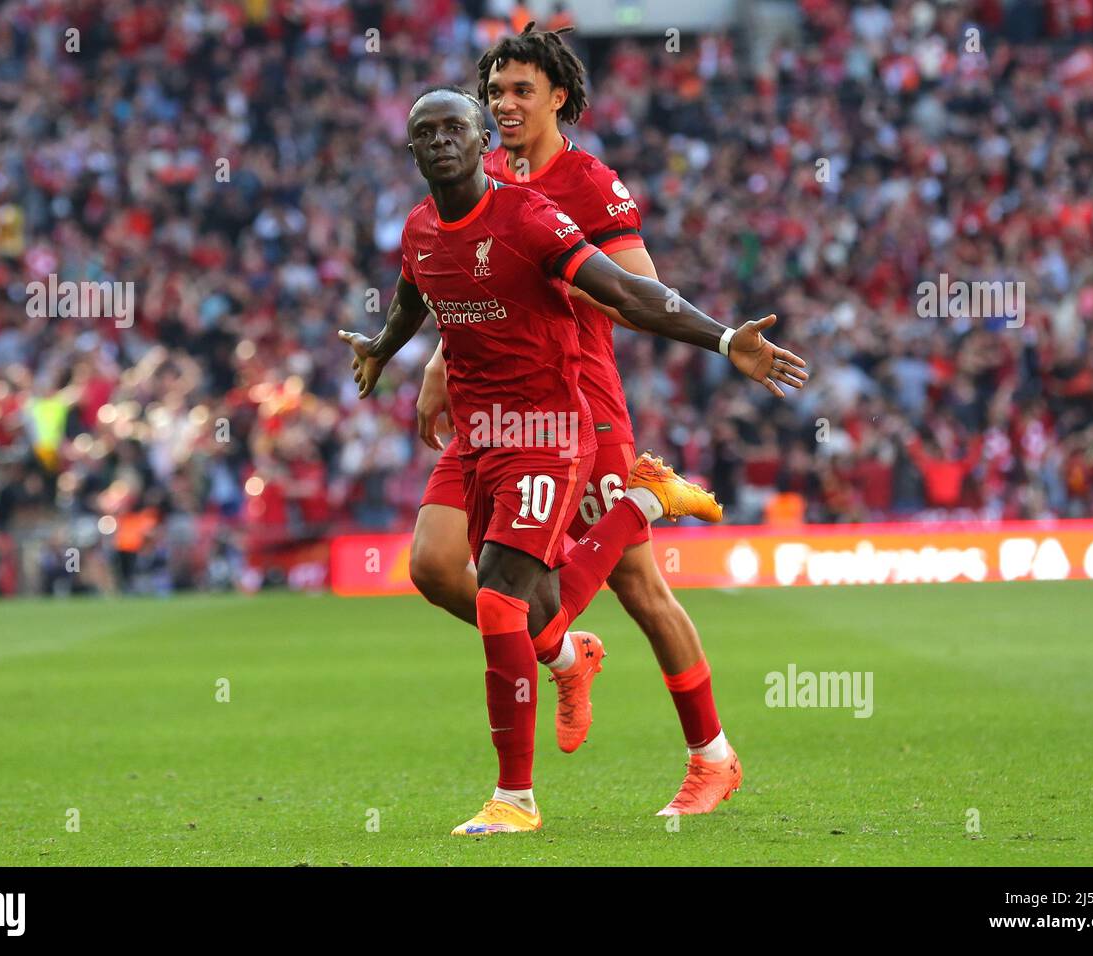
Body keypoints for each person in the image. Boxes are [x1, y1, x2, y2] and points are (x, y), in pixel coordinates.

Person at [339, 87, 806, 835]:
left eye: (462, 123)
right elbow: (413, 294)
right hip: (480, 431)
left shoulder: (535, 210)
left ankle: (519, 799)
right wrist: (385, 349)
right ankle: (625, 537)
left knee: (510, 598)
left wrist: (724, 341)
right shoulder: (420, 227)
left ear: (485, 133)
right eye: (426, 133)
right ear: (413, 150)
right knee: (469, 580)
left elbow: (626, 290)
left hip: (553, 427)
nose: (444, 140)